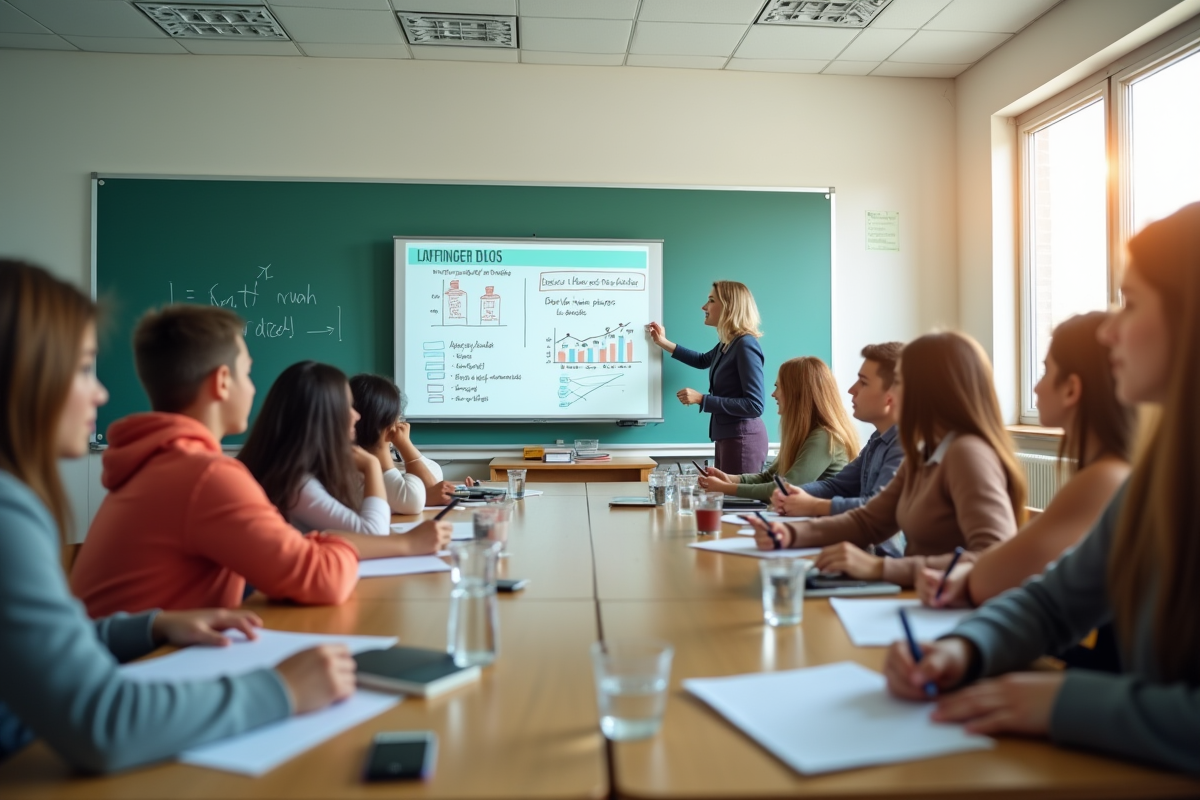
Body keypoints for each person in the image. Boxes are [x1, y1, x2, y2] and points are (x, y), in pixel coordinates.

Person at [0, 260, 355, 772]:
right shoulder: (11, 511)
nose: (100, 393)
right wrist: (281, 689)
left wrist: (151, 628)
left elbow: (38, 648)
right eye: (82, 368)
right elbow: (104, 725)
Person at [884, 203, 1200, 775]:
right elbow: (1054, 601)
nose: (1108, 331)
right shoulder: (1157, 482)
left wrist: (1061, 701)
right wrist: (966, 649)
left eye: (1131, 304)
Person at [71, 305, 451, 617]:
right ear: (222, 382)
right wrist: (404, 546)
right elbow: (320, 578)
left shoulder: (159, 464)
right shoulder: (207, 477)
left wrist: (317, 544)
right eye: (247, 372)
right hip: (132, 671)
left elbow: (301, 553)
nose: (253, 387)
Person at [746, 331, 1024, 588]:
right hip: (921, 599)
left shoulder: (968, 454)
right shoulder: (925, 452)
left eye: (901, 382)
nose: (893, 393)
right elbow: (870, 520)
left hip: (950, 613)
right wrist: (790, 535)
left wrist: (881, 568)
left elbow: (993, 558)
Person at [917, 312, 1133, 608]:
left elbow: (989, 581)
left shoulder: (1105, 477)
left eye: (1045, 371)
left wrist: (970, 574)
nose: (1036, 387)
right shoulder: (1110, 471)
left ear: (1071, 389)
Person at [772, 342, 906, 557]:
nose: (851, 389)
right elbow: (839, 485)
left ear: (890, 396)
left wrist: (813, 505)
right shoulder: (878, 438)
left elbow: (874, 507)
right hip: (862, 553)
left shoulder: (906, 446)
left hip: (886, 563)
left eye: (863, 382)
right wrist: (800, 493)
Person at [238, 361, 390, 535]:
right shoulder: (296, 484)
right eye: (346, 406)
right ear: (324, 417)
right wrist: (373, 466)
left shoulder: (301, 473)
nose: (356, 415)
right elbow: (374, 533)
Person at [646, 281, 767, 473]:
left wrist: (702, 399)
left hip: (742, 439)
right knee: (724, 499)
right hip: (728, 436)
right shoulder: (728, 343)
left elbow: (755, 405)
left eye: (711, 300)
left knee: (736, 501)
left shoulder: (745, 345)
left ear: (729, 307)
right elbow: (702, 360)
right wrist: (662, 342)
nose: (704, 306)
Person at [697, 356, 855, 500]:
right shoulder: (806, 435)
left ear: (797, 393)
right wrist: (729, 478)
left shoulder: (824, 437)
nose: (774, 394)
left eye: (779, 387)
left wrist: (725, 488)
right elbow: (769, 478)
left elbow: (784, 490)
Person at [349, 373, 453, 514]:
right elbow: (414, 500)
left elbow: (435, 474)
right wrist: (392, 444)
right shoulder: (363, 471)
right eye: (397, 417)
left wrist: (404, 444)